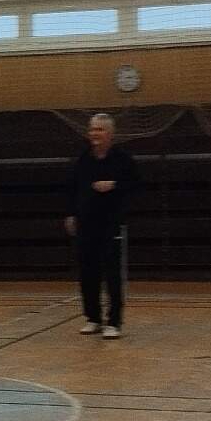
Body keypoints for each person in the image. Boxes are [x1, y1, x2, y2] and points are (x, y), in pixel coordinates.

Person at [64, 112, 137, 339]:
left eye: (100, 129)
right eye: (92, 129)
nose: (95, 133)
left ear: (110, 134)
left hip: (111, 225)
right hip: (86, 225)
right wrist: (71, 214)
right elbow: (71, 188)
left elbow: (136, 185)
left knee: (113, 274)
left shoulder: (123, 160)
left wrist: (114, 185)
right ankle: (93, 318)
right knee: (88, 272)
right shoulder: (83, 160)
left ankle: (114, 322)